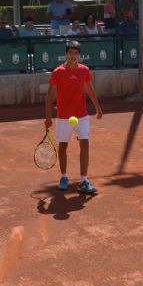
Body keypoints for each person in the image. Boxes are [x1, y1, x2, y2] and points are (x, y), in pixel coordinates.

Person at [44, 40, 103, 195]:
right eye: (70, 53)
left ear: (79, 55)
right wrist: (48, 117)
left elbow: (89, 90)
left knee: (85, 144)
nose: (73, 56)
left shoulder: (84, 70)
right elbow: (50, 96)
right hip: (63, 117)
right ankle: (64, 177)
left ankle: (84, 180)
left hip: (82, 116)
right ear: (66, 54)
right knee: (63, 147)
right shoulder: (58, 72)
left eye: (76, 53)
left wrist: (98, 108)